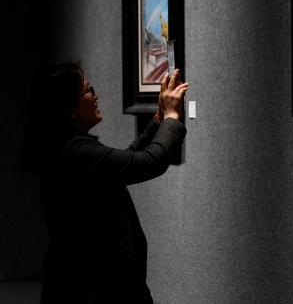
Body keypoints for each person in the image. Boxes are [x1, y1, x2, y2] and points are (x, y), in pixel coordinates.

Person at [21, 62, 189, 304]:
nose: (95, 96)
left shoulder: (66, 148)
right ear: (70, 107)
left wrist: (160, 118)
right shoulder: (77, 153)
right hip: (96, 289)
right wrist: (172, 117)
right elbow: (149, 162)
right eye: (89, 90)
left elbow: (125, 161)